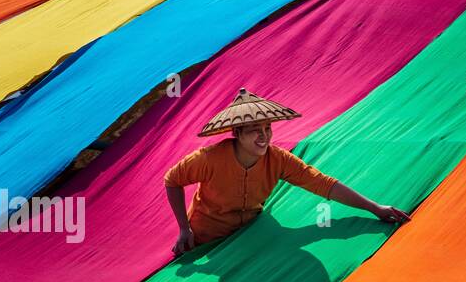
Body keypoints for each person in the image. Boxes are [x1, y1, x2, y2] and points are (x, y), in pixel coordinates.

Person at [165, 88, 410, 256]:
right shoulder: (209, 159)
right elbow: (172, 180)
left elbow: (323, 184)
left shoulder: (278, 159)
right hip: (207, 238)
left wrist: (374, 208)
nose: (264, 136)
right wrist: (184, 228)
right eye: (254, 130)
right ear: (237, 134)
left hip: (252, 233)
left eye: (267, 128)